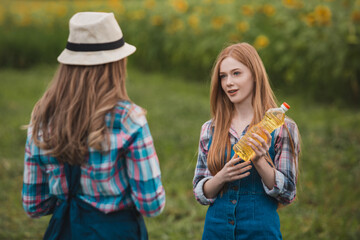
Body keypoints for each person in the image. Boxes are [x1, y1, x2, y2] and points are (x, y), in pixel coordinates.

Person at [22, 12, 165, 240]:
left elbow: (34, 205)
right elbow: (151, 204)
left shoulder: (42, 119)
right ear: (117, 65)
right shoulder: (128, 119)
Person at [193, 43, 300, 239]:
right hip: (215, 232)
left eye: (236, 73)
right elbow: (200, 191)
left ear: (254, 75)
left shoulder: (282, 128)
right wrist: (221, 177)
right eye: (223, 76)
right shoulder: (210, 129)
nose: (228, 83)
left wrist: (260, 160)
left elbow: (288, 193)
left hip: (260, 233)